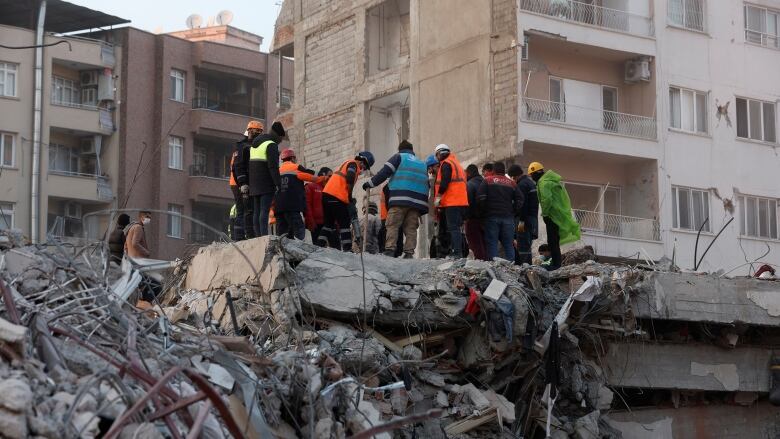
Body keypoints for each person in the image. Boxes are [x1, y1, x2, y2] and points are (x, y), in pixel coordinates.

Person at [363, 140, 429, 258]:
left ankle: (390, 249)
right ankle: (409, 253)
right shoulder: (422, 163)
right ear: (412, 150)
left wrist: (370, 183)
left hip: (400, 199)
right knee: (411, 228)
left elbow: (384, 173)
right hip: (417, 202)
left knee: (392, 224)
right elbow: (427, 184)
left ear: (400, 149)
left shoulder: (399, 157)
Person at [529, 162, 581, 270]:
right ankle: (556, 263)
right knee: (554, 241)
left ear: (535, 174)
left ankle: (555, 265)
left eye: (531, 175)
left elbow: (546, 199)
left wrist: (545, 213)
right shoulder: (551, 180)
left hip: (552, 216)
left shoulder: (543, 183)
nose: (531, 177)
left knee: (552, 241)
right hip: (558, 215)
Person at [320, 151, 375, 251]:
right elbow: (350, 178)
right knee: (344, 223)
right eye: (365, 167)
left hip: (326, 195)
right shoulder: (353, 164)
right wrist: (349, 197)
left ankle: (319, 245)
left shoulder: (347, 163)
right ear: (363, 161)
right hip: (336, 196)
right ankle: (347, 249)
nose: (363, 169)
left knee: (328, 224)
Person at [245, 121, 286, 237]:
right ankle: (264, 236)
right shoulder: (271, 145)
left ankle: (258, 236)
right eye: (281, 138)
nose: (281, 141)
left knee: (257, 211)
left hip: (254, 182)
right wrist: (278, 183)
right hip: (266, 182)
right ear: (277, 135)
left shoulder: (254, 144)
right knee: (264, 210)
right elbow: (273, 166)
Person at [478, 161, 524, 261]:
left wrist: (484, 212)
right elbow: (520, 199)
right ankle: (511, 267)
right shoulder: (511, 183)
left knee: (492, 243)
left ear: (493, 171)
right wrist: (514, 211)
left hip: (491, 217)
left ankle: (494, 266)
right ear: (504, 171)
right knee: (508, 244)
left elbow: (481, 198)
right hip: (508, 218)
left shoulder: (487, 181)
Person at [276, 148, 325, 240]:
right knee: (299, 230)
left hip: (279, 207)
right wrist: (323, 177)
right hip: (292, 205)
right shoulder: (296, 167)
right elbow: (312, 177)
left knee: (283, 234)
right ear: (292, 158)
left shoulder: (278, 170)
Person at [433, 144, 469, 258]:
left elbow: (445, 182)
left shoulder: (446, 164)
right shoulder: (457, 164)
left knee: (453, 228)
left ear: (440, 153)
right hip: (461, 202)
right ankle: (457, 252)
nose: (437, 158)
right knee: (456, 228)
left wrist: (438, 196)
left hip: (452, 202)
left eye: (437, 155)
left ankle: (457, 253)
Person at [233, 121, 264, 239]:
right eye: (257, 131)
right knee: (246, 210)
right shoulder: (243, 146)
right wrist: (243, 183)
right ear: (250, 130)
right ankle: (243, 237)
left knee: (254, 210)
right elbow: (238, 166)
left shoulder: (257, 145)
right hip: (243, 182)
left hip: (254, 183)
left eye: (260, 131)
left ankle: (253, 235)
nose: (259, 133)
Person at [509, 164, 539, 265]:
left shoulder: (522, 185)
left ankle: (525, 268)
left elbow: (522, 205)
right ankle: (527, 267)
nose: (513, 180)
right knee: (526, 245)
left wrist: (520, 222)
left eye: (513, 178)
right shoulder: (530, 183)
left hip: (523, 221)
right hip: (531, 219)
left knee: (522, 244)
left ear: (515, 176)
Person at [464, 164, 487, 260]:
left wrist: (465, 217)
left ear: (468, 173)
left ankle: (480, 263)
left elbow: (467, 202)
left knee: (475, 243)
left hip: (473, 219)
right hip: (486, 219)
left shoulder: (470, 184)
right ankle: (487, 262)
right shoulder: (485, 182)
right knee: (484, 242)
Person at [305, 167, 332, 246]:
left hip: (328, 223)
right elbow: (307, 205)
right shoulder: (310, 186)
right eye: (329, 176)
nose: (331, 178)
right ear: (323, 175)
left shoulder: (329, 188)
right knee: (318, 248)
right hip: (316, 224)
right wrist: (311, 222)